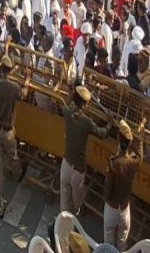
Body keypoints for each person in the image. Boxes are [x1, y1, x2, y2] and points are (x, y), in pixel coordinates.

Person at [61, 85, 108, 215]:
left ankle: (62, 222)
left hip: (66, 163)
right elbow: (102, 133)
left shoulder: (67, 112)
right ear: (84, 104)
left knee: (64, 203)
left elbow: (67, 104)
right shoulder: (86, 121)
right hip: (77, 170)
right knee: (76, 204)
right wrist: (109, 124)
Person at [0, 55, 23, 219]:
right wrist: (27, 80)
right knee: (13, 156)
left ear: (0, 69)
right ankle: (18, 173)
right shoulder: (14, 87)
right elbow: (23, 94)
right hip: (9, 132)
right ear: (10, 71)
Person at [103, 119, 144, 250]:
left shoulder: (113, 164)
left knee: (108, 245)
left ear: (119, 140)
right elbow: (140, 155)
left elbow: (107, 191)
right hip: (125, 210)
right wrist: (139, 138)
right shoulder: (133, 162)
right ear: (130, 143)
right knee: (122, 245)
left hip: (111, 208)